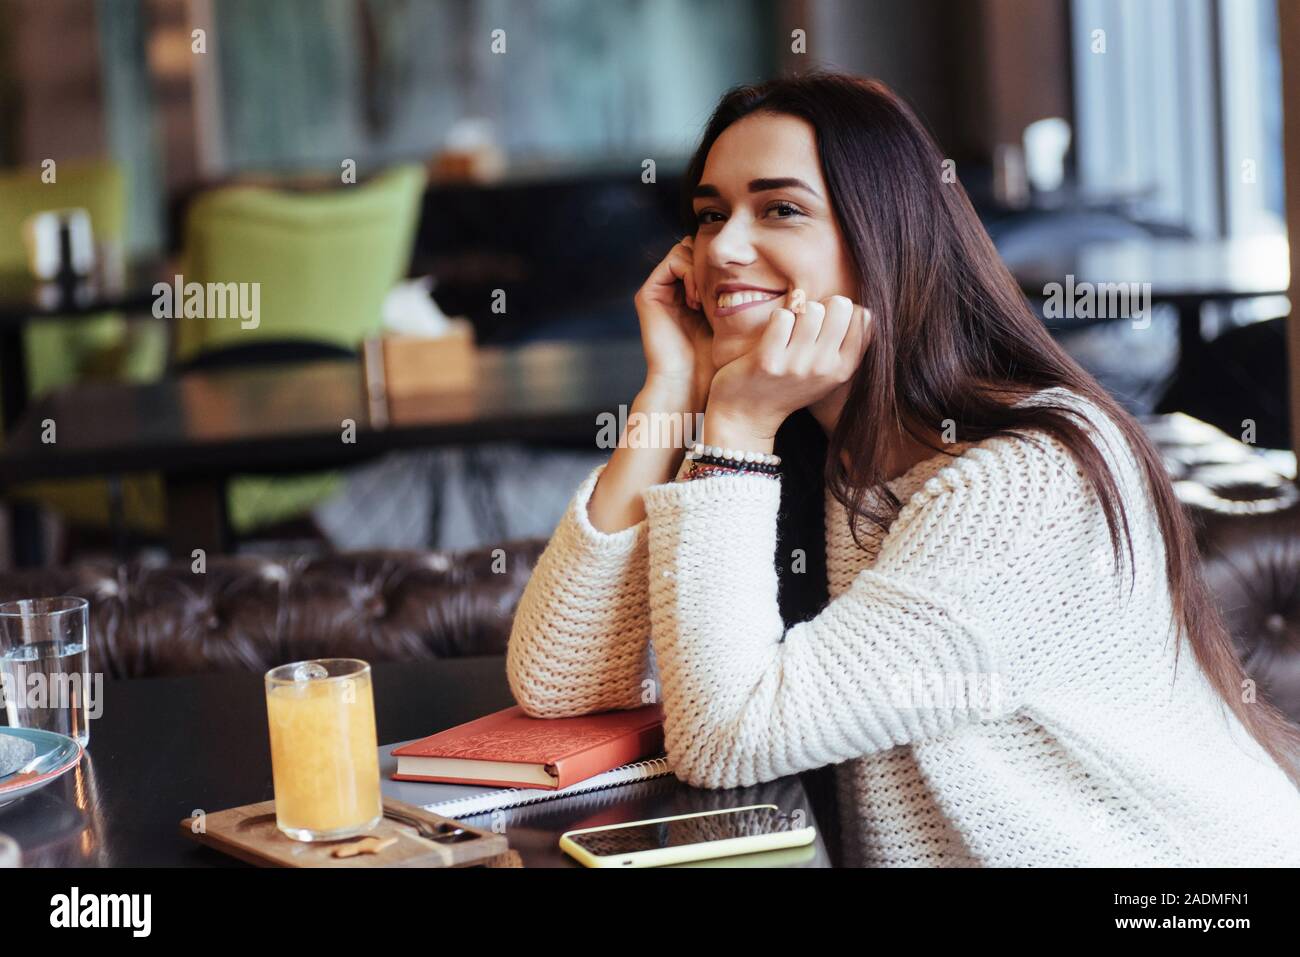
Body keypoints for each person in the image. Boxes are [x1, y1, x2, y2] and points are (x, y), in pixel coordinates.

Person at [506, 71, 1300, 867]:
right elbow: (558, 682)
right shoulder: (789, 453)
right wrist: (670, 390)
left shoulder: (1026, 479)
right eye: (710, 215)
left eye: (779, 208)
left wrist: (736, 425)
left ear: (885, 238)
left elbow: (726, 737)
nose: (722, 249)